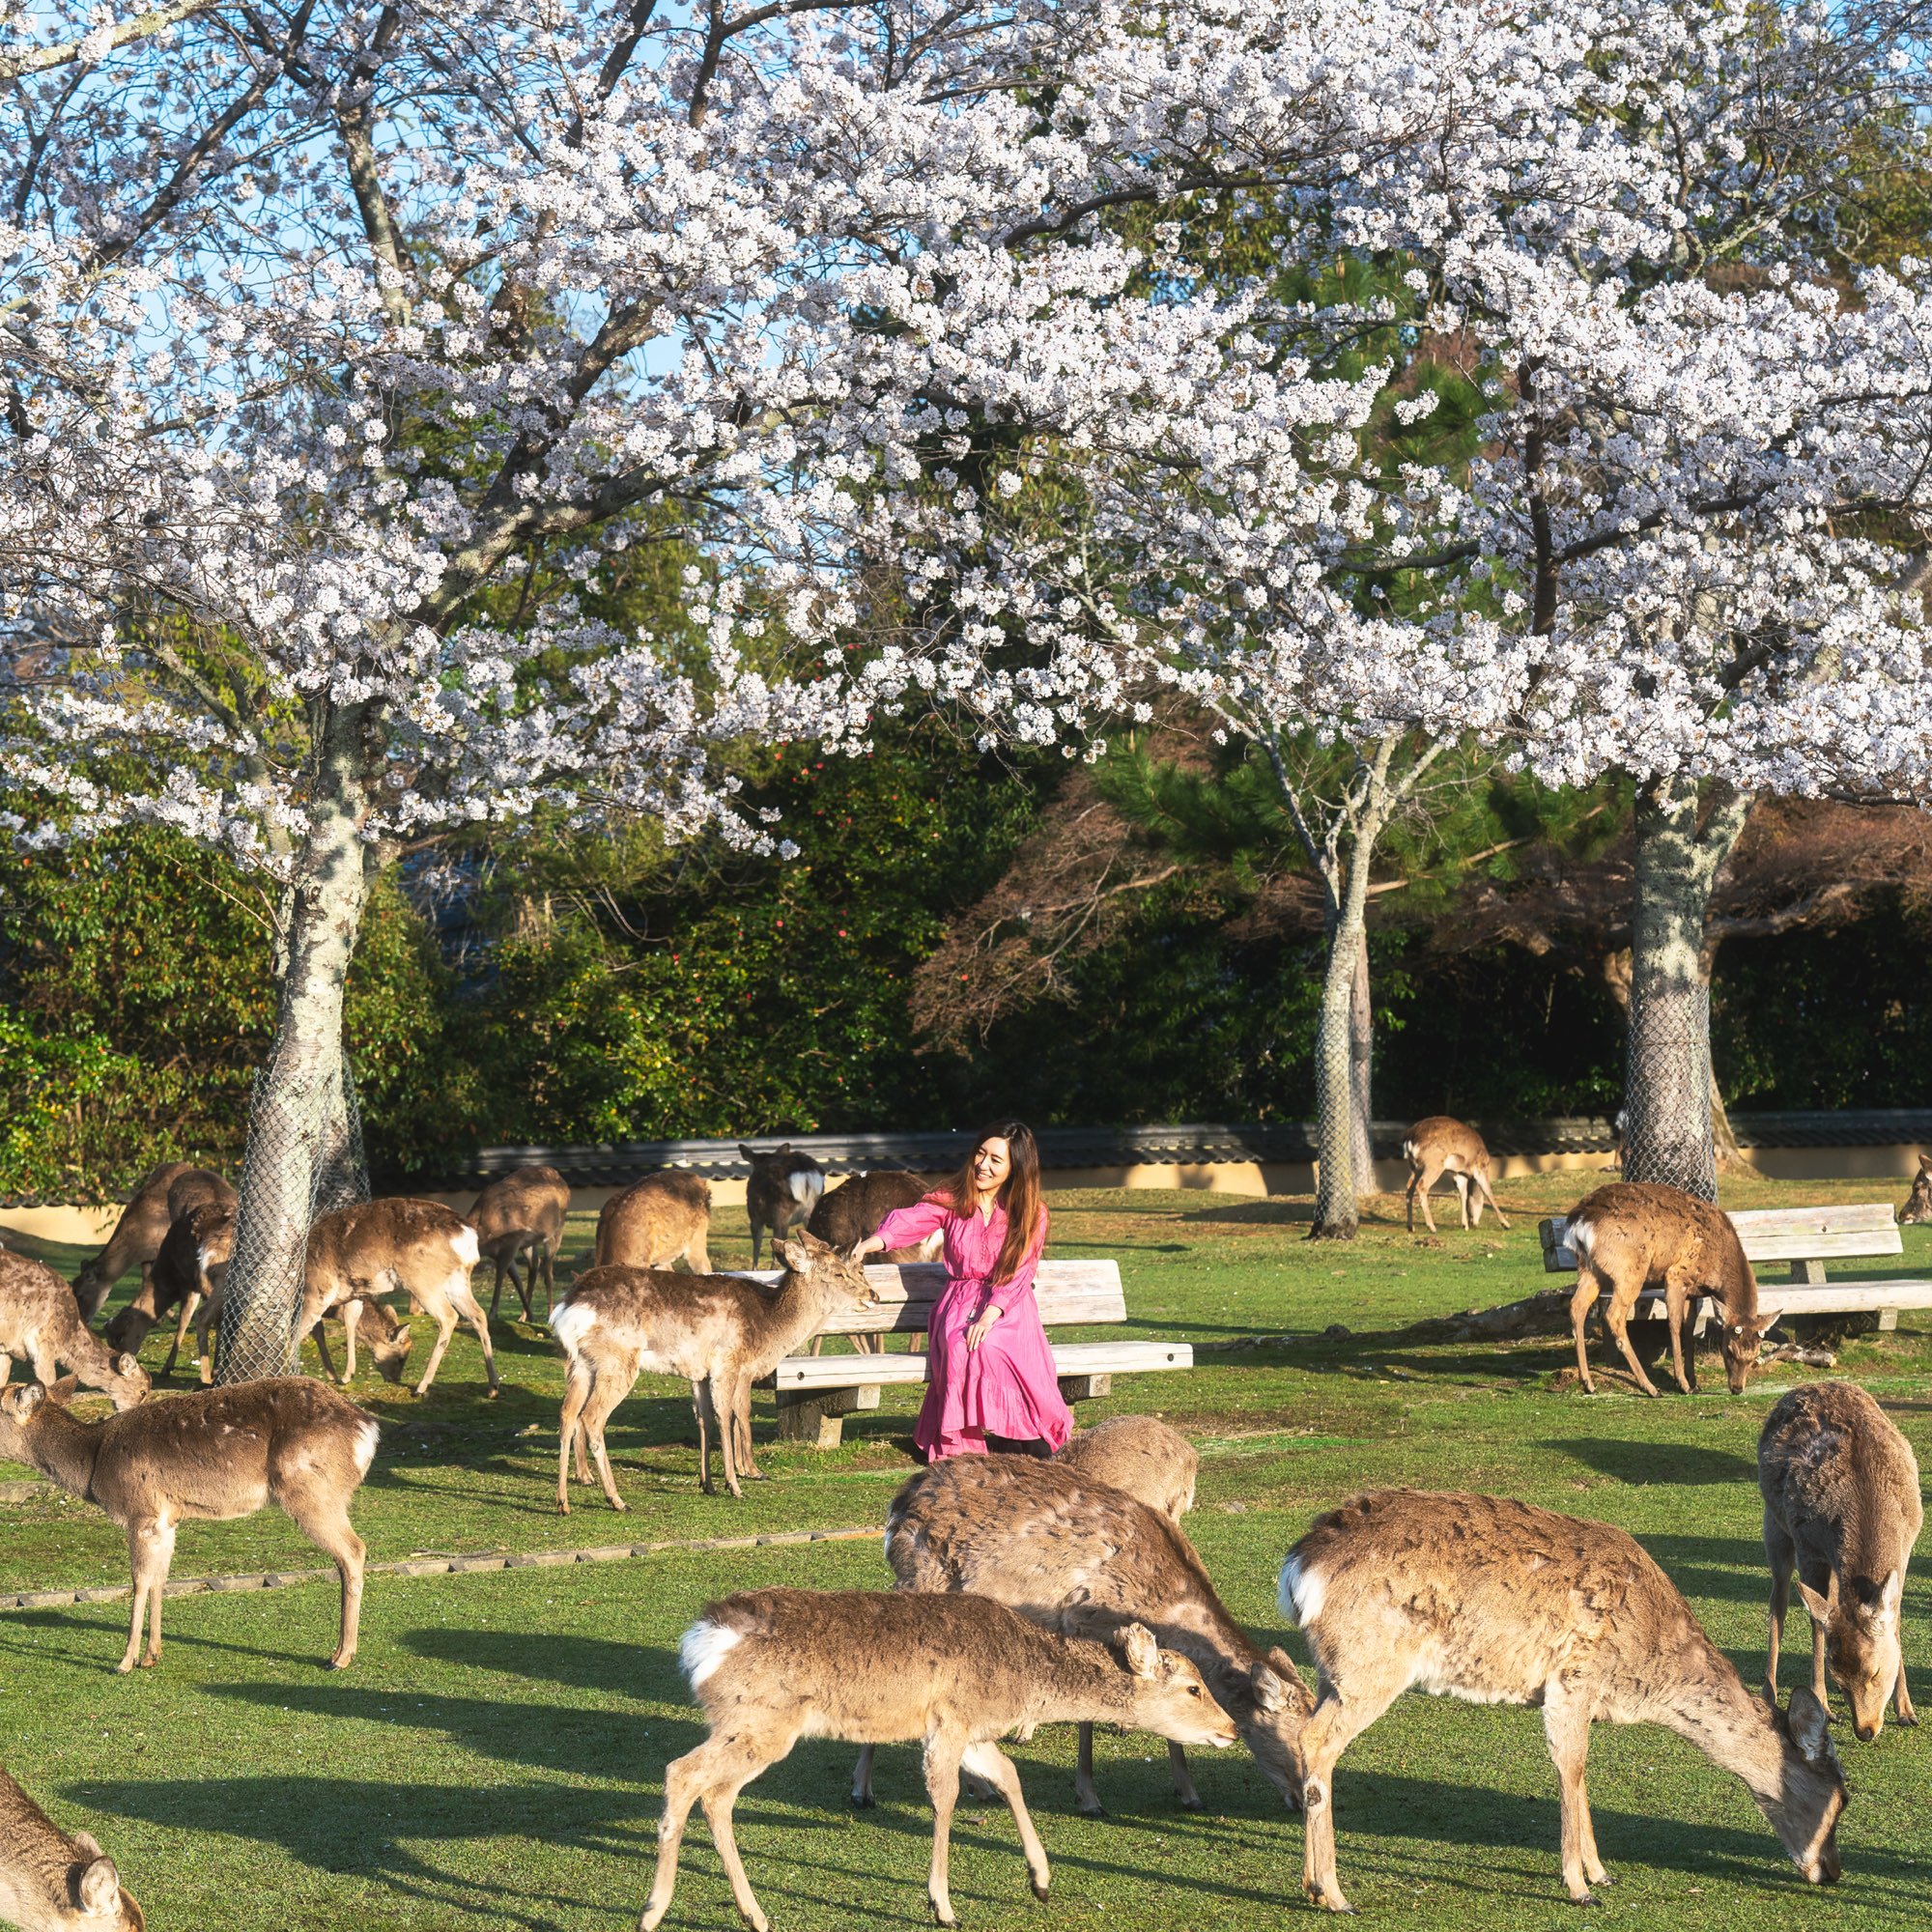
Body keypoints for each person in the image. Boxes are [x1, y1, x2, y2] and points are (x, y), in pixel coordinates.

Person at [856, 1120, 1072, 1462]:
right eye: (980, 1154)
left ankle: (1020, 1436)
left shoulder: (1032, 1213)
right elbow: (913, 1219)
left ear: (1016, 1168)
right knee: (960, 1347)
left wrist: (991, 1314)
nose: (983, 1165)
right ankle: (961, 1444)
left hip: (1009, 1304)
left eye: (996, 1160)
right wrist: (875, 1241)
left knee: (996, 1347)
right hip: (959, 1302)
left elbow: (1019, 1271)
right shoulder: (955, 1200)